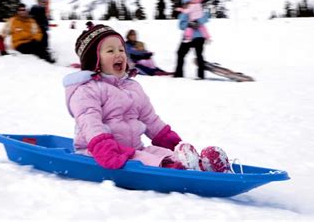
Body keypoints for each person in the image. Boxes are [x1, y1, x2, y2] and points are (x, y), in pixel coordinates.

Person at [62, 23, 231, 171]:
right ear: (95, 60)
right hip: (100, 152)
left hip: (134, 149)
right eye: (110, 50)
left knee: (161, 153)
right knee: (153, 160)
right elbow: (89, 122)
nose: (119, 54)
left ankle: (200, 163)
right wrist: (103, 147)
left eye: (121, 49)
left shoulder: (132, 87)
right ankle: (181, 167)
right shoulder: (86, 90)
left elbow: (149, 119)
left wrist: (172, 143)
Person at [174, 0, 209, 79]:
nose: (188, 5)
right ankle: (200, 75)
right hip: (195, 37)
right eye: (186, 4)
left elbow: (181, 26)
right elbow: (181, 26)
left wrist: (193, 23)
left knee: (182, 54)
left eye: (189, 3)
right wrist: (191, 24)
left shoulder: (187, 13)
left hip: (192, 38)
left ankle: (179, 74)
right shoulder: (194, 12)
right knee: (197, 55)